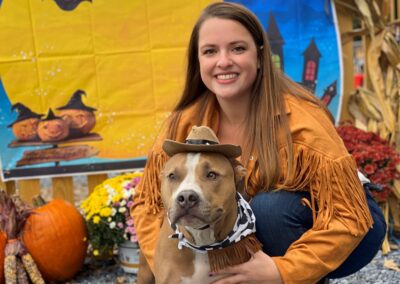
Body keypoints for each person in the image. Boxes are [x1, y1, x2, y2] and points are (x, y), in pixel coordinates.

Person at [131, 2, 386, 283]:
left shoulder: (302, 119)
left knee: (266, 211)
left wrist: (283, 270)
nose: (223, 61)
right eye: (210, 51)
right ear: (198, 61)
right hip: (258, 229)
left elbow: (348, 214)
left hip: (349, 223)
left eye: (238, 48)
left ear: (261, 56)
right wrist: (171, 268)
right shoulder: (183, 124)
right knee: (253, 216)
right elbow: (148, 204)